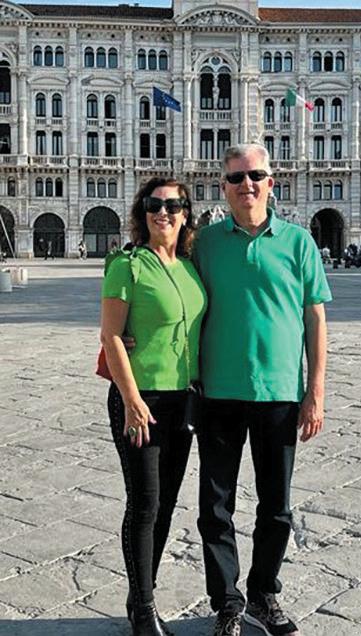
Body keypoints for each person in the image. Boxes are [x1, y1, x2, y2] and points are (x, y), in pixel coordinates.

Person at [193, 144, 332, 636]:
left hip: (279, 392)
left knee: (277, 506)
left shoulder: (298, 242)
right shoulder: (205, 243)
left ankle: (263, 594)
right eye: (236, 178)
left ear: (272, 182)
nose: (246, 184)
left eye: (255, 175)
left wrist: (315, 390)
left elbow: (315, 319)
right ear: (222, 187)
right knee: (215, 506)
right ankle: (227, 602)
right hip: (217, 392)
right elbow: (176, 297)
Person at [100, 177, 207, 636]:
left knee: (164, 504)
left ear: (185, 215)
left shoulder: (190, 268)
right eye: (153, 204)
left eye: (173, 205)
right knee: (144, 504)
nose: (163, 211)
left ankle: (140, 591)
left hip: (183, 401)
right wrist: (131, 400)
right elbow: (111, 336)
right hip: (139, 399)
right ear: (142, 212)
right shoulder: (127, 265)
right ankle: (144, 611)